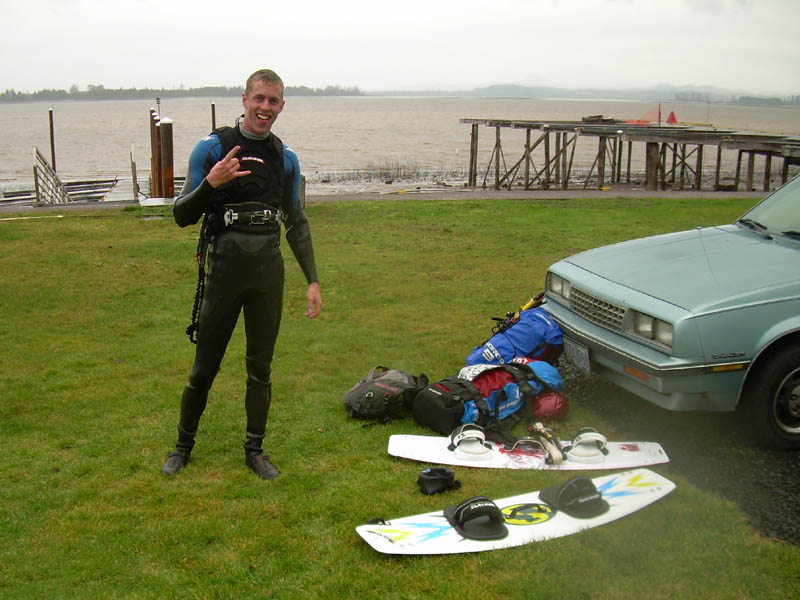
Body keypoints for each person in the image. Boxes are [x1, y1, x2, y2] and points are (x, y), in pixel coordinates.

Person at [161, 69, 322, 479]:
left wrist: (313, 281)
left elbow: (297, 222)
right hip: (224, 275)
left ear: (282, 106)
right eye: (259, 99)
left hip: (268, 276)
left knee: (260, 368)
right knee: (204, 368)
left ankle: (255, 451)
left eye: (273, 101)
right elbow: (182, 215)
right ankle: (182, 447)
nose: (265, 108)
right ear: (244, 99)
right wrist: (211, 184)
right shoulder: (212, 148)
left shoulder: (284, 158)